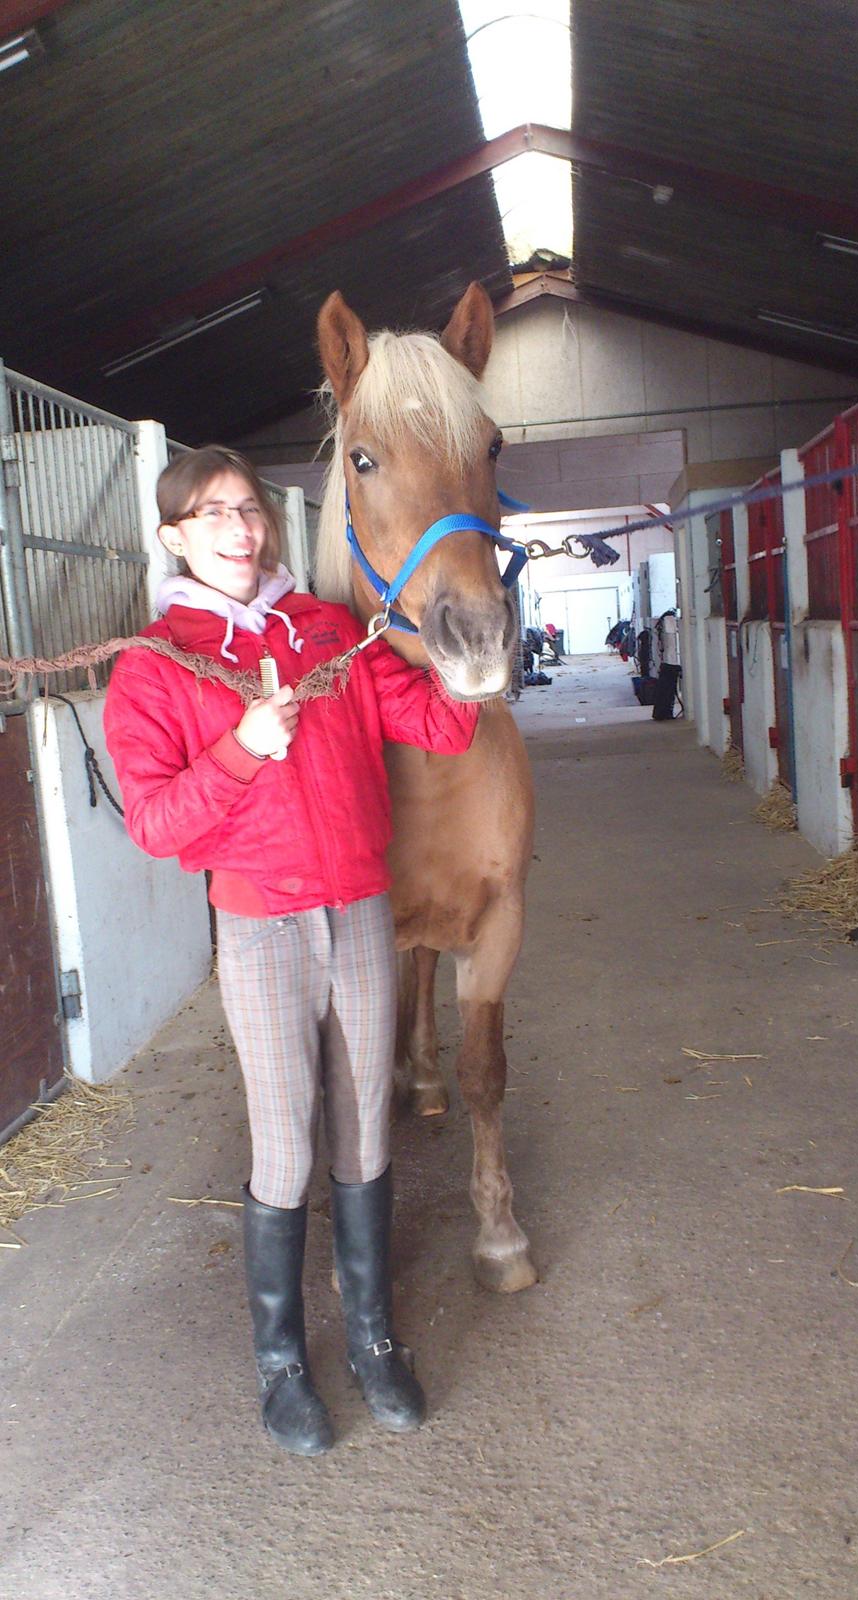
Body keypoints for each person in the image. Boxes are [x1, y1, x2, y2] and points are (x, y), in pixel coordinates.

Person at [103, 446, 479, 1458]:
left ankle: (371, 1337)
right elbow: (155, 824)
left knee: (366, 1134)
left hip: (358, 910)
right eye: (213, 513)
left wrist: (471, 663)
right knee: (288, 1145)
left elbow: (434, 726)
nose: (240, 528)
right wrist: (241, 749)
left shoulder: (329, 631)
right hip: (260, 924)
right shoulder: (155, 666)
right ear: (174, 536)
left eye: (249, 509)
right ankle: (280, 1362)